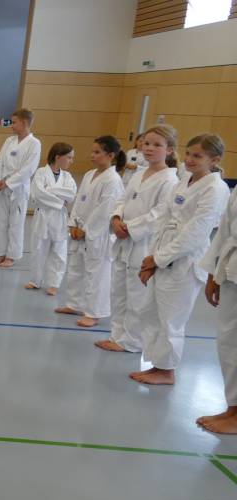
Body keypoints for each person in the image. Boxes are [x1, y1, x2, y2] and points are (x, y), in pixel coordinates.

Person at [131, 133, 229, 386]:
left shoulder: (215, 189)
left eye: (198, 156)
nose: (190, 159)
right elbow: (163, 219)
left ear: (214, 160)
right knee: (150, 312)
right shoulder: (184, 180)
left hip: (185, 262)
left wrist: (158, 259)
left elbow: (195, 234)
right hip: (163, 253)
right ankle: (156, 363)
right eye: (188, 153)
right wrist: (152, 257)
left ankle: (167, 370)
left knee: (171, 319)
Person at [95, 126, 179, 353]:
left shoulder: (170, 181)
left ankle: (132, 341)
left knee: (136, 296)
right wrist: (116, 218)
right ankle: (116, 335)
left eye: (157, 145)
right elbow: (121, 200)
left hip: (144, 244)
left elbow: (159, 214)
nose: (149, 148)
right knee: (118, 293)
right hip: (123, 242)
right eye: (146, 143)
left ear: (170, 150)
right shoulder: (138, 174)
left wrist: (130, 228)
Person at [55, 136, 126, 327]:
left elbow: (105, 209)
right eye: (92, 151)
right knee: (76, 269)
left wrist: (86, 230)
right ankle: (74, 303)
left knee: (97, 274)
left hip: (98, 234)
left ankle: (95, 312)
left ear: (110, 155)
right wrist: (73, 224)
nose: (92, 155)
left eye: (97, 152)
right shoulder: (89, 174)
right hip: (79, 229)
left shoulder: (113, 180)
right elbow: (79, 201)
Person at [196, 177, 237, 434]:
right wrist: (213, 272)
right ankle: (233, 407)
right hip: (231, 267)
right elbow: (224, 230)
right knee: (228, 341)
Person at [0, 109, 41, 268]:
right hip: (2, 187)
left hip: (18, 189)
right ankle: (1, 253)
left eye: (14, 122)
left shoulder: (34, 143)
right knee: (1, 222)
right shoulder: (9, 141)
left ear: (24, 123)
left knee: (15, 223)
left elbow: (28, 169)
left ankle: (11, 256)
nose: (11, 125)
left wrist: (8, 182)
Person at [24, 143, 76, 296]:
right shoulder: (41, 173)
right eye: (69, 157)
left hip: (60, 218)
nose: (71, 161)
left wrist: (51, 190)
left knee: (59, 252)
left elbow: (71, 194)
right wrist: (60, 201)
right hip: (43, 216)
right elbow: (38, 194)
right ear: (58, 157)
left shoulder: (67, 177)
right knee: (38, 249)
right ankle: (35, 280)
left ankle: (54, 284)